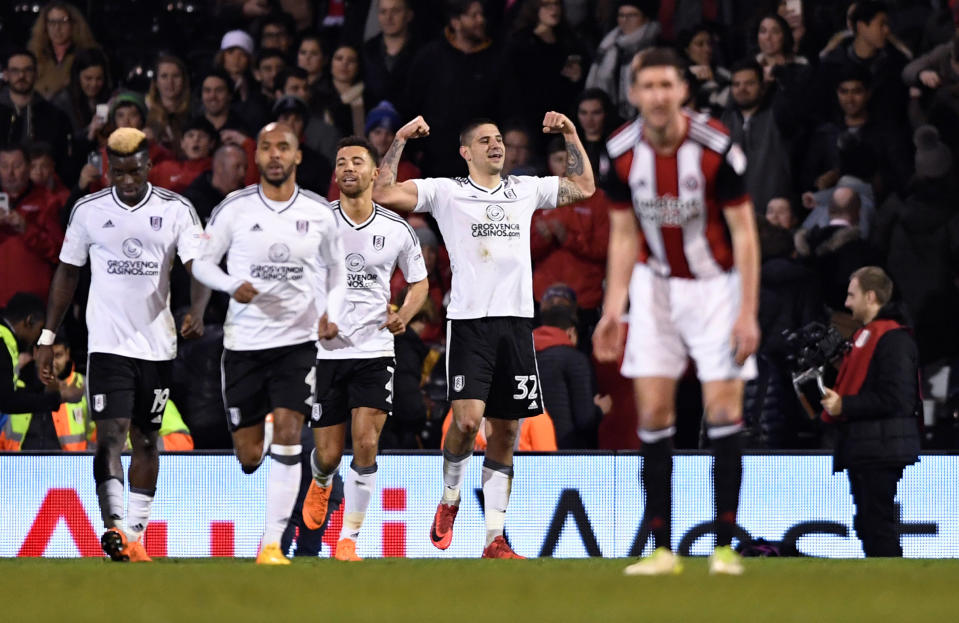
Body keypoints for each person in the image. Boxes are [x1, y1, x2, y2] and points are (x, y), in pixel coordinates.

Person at [372, 110, 595, 557]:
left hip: (516, 324)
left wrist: (571, 133)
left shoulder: (524, 188)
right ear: (466, 152)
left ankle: (495, 538)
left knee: (506, 433)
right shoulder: (447, 191)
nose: (497, 145)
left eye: (500, 139)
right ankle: (450, 497)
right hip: (470, 323)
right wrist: (398, 139)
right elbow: (383, 192)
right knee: (468, 421)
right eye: (487, 140)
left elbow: (584, 186)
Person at [592, 48, 760, 576]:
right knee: (654, 416)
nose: (659, 96)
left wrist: (747, 313)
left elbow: (746, 235)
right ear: (634, 93)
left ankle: (726, 548)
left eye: (668, 85)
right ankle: (663, 549)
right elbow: (622, 234)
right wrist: (612, 311)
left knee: (724, 412)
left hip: (716, 288)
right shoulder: (619, 153)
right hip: (655, 285)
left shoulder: (716, 148)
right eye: (649, 86)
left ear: (683, 90)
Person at [36, 127, 206, 563]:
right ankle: (113, 529)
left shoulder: (176, 210)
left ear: (149, 166)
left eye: (134, 171)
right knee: (109, 437)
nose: (127, 181)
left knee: (147, 440)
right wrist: (47, 336)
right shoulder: (89, 211)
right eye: (118, 173)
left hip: (157, 346)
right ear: (107, 169)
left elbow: (197, 267)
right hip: (107, 345)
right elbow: (67, 273)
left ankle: (135, 532)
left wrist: (198, 311)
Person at [190, 122, 346, 565]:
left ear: (298, 156)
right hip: (243, 346)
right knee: (249, 455)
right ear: (256, 158)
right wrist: (228, 284)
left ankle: (273, 543)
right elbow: (202, 263)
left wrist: (330, 313)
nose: (275, 155)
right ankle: (269, 439)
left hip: (297, 343)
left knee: (292, 430)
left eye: (284, 148)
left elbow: (337, 272)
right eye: (267, 148)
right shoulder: (233, 209)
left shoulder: (318, 212)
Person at [301, 136, 428, 561]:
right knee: (328, 453)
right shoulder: (319, 222)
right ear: (335, 175)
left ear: (376, 173)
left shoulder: (396, 229)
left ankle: (349, 539)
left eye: (357, 161)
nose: (348, 168)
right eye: (341, 163)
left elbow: (420, 282)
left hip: (375, 349)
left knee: (366, 443)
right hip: (327, 353)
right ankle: (321, 482)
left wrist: (405, 314)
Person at [820, 267, 921, 557]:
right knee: (868, 523)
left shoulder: (893, 340)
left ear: (871, 296)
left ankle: (894, 590)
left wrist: (845, 406)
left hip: (882, 446)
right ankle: (885, 588)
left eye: (852, 296)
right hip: (868, 444)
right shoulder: (867, 337)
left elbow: (898, 399)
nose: (847, 303)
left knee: (876, 523)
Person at [0, 144, 64, 306]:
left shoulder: (47, 201)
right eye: (4, 166)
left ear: (29, 168)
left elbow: (59, 252)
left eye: (17, 166)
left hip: (31, 305)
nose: (10, 173)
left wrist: (26, 229)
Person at [0, 293, 64, 450]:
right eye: (40, 330)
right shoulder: (2, 343)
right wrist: (52, 400)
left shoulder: (5, 339)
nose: (37, 339)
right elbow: (6, 400)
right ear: (29, 321)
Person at [5, 332, 88, 451]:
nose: (52, 363)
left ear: (68, 354)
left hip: (69, 465)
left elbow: (98, 435)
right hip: (16, 464)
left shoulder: (83, 385)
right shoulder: (15, 384)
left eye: (58, 355)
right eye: (47, 357)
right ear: (35, 353)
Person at [585, 0, 661, 120]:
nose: (625, 20)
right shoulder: (609, 45)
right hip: (609, 118)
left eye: (632, 15)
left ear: (645, 18)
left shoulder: (656, 47)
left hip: (644, 117)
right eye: (621, 15)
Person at [27, 1, 100, 100]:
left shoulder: (87, 56)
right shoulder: (35, 55)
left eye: (63, 21)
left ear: (73, 24)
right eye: (52, 22)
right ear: (45, 25)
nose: (57, 28)